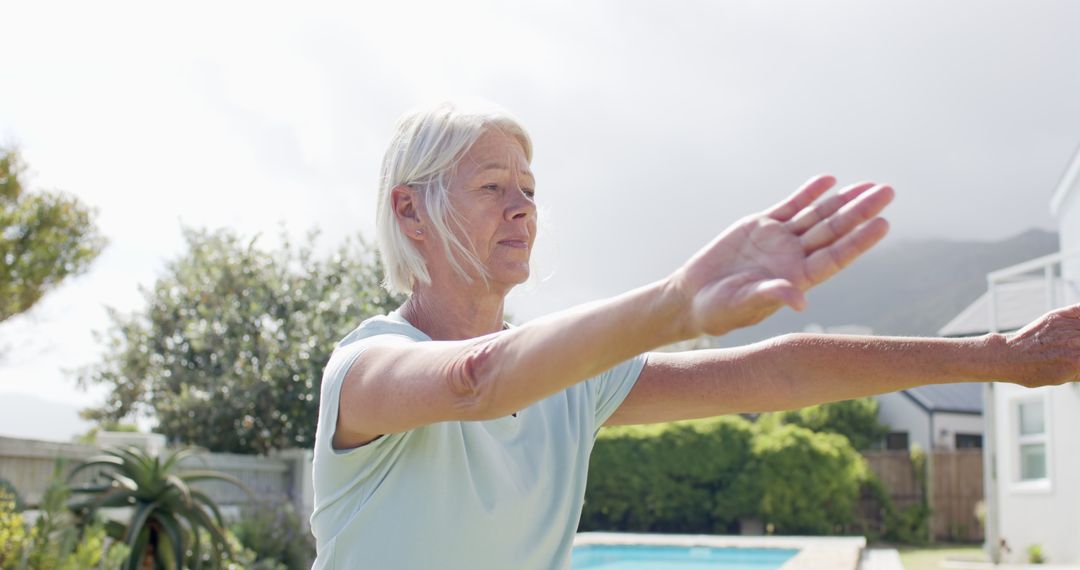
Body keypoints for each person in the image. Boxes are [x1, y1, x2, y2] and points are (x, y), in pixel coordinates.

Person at [309, 101, 1079, 569]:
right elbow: (475, 382)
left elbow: (775, 375)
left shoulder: (573, 382)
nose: (523, 209)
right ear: (409, 211)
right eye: (490, 187)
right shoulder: (367, 369)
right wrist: (680, 302)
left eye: (530, 191)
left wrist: (996, 357)